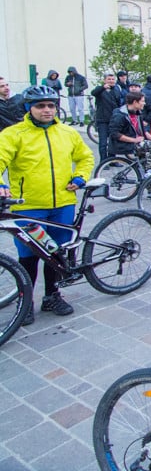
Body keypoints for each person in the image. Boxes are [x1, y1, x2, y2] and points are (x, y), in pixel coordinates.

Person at [0, 85, 95, 323]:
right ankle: (26, 302)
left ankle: (52, 296)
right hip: (29, 206)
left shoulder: (67, 132)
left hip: (63, 203)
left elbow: (85, 157)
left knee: (56, 253)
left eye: (51, 105)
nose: (46, 110)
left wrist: (81, 176)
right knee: (29, 256)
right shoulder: (13, 134)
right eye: (40, 106)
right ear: (28, 108)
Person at [108, 91, 151, 158]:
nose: (144, 103)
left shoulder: (137, 114)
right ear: (135, 102)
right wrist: (134, 140)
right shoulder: (120, 115)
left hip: (135, 142)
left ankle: (143, 166)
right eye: (142, 101)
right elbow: (114, 134)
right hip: (123, 145)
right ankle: (150, 168)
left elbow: (143, 132)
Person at [89, 73, 122, 161]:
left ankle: (112, 160)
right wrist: (103, 87)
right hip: (102, 120)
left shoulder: (117, 90)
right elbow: (93, 93)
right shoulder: (99, 89)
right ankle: (103, 161)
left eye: (112, 79)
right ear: (105, 80)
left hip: (114, 120)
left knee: (113, 142)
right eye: (109, 79)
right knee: (103, 143)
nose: (111, 81)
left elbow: (119, 103)